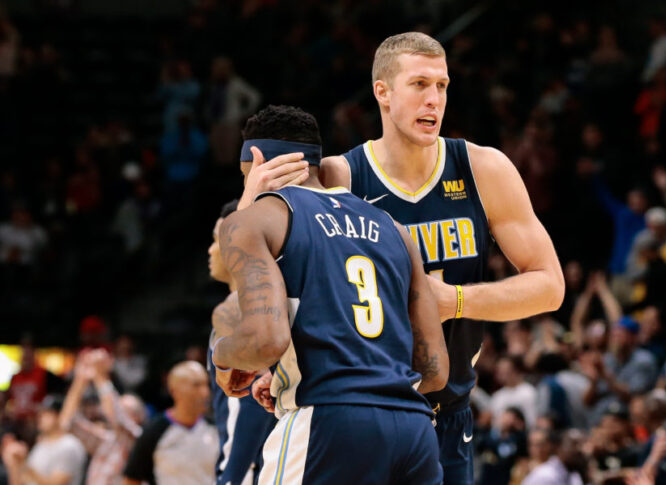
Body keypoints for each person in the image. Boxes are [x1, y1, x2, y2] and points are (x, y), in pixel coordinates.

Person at [317, 31, 565, 484]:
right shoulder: (340, 177)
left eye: (442, 86)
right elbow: (288, 276)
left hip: (449, 413)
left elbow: (550, 287)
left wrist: (454, 300)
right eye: (419, 85)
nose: (434, 99)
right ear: (383, 92)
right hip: (364, 414)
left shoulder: (483, 169)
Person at [212, 105, 449, 484]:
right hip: (413, 431)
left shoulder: (256, 219)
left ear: (256, 162)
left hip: (328, 421)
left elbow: (264, 341)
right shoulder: (394, 228)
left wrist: (222, 357)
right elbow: (435, 369)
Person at [206, 198, 276, 485]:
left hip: (255, 470)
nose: (211, 249)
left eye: (216, 239)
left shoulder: (238, 309)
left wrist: (233, 476)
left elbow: (246, 403)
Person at [58, 348, 146, 485]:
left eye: (126, 410)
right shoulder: (106, 441)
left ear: (138, 417)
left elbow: (116, 417)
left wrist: (99, 375)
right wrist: (80, 381)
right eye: (119, 406)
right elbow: (67, 422)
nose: (119, 410)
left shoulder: (138, 439)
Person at [122, 361, 217, 485]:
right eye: (196, 385)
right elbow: (131, 479)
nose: (205, 392)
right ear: (174, 390)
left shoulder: (216, 429)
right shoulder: (154, 431)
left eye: (206, 385)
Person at [1, 395, 86, 485]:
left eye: (47, 414)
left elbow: (56, 484)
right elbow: (25, 481)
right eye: (41, 413)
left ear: (59, 416)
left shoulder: (69, 445)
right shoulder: (41, 444)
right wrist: (14, 464)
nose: (40, 417)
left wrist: (23, 463)